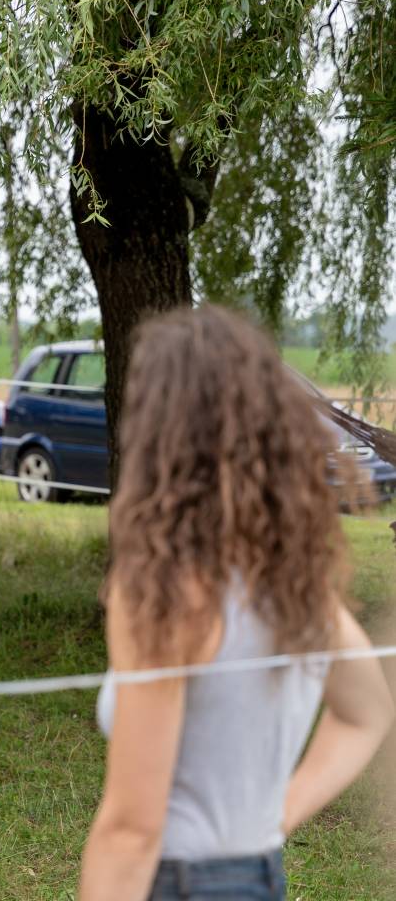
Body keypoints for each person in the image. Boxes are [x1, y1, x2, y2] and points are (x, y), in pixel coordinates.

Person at [79, 305, 394, 901]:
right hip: (258, 878)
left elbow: (132, 832)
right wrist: (272, 822)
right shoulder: (293, 582)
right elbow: (367, 712)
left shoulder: (165, 589)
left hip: (174, 882)